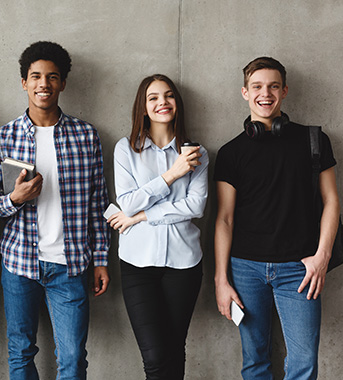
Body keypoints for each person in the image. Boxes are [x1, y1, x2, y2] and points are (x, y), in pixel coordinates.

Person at [0, 41, 110, 380]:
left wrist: (101, 259)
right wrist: (15, 198)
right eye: (36, 76)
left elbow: (98, 204)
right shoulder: (3, 138)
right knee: (21, 352)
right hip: (19, 263)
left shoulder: (86, 136)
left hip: (70, 264)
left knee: (72, 358)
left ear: (63, 83)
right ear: (24, 82)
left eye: (52, 77)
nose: (44, 84)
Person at [214, 57, 340, 379]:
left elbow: (331, 201)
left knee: (304, 361)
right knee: (254, 360)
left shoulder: (314, 140)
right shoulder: (231, 153)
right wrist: (221, 279)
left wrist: (322, 256)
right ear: (245, 92)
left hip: (300, 270)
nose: (265, 93)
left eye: (272, 86)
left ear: (284, 91)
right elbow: (224, 219)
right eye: (256, 86)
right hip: (246, 270)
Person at [107, 74, 208, 379]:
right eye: (153, 97)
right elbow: (126, 202)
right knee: (154, 355)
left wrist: (142, 217)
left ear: (177, 103)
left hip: (185, 263)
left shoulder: (197, 153)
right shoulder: (126, 149)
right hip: (138, 264)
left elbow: (196, 207)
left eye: (169, 96)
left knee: (175, 349)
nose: (162, 102)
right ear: (143, 107)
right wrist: (171, 175)